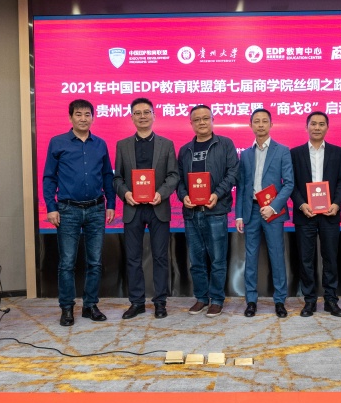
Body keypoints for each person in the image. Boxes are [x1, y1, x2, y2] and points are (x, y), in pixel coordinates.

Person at [43, 99, 116, 325]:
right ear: (70, 117)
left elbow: (107, 175)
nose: (83, 118)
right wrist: (51, 207)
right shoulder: (57, 142)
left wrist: (111, 203)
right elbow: (49, 177)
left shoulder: (100, 144)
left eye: (87, 114)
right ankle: (66, 308)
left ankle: (90, 305)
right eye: (78, 114)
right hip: (68, 210)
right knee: (67, 262)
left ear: (93, 117)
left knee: (95, 262)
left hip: (96, 208)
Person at [113, 98, 179, 319]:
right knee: (133, 258)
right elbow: (117, 178)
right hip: (133, 208)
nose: (142, 116)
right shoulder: (122, 145)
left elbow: (173, 175)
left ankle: (160, 302)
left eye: (146, 112)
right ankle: (137, 302)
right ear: (131, 117)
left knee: (160, 257)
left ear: (154, 115)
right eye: (137, 113)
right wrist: (125, 193)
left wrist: (162, 193)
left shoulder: (166, 144)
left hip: (158, 207)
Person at [176, 104, 239, 317]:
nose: (201, 122)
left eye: (205, 118)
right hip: (192, 213)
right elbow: (179, 179)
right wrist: (183, 196)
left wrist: (217, 194)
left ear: (213, 120)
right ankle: (201, 298)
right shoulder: (185, 150)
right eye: (197, 119)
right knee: (196, 260)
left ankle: (217, 299)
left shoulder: (225, 144)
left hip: (216, 210)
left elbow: (233, 172)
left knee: (218, 259)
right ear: (191, 123)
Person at [235, 109, 294, 318]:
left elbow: (289, 183)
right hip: (251, 210)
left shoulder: (282, 151)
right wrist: (239, 215)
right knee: (250, 257)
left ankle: (280, 301)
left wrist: (274, 206)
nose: (260, 125)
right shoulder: (245, 154)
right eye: (256, 121)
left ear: (271, 124)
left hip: (273, 212)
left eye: (264, 121)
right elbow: (242, 186)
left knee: (277, 255)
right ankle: (251, 301)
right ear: (250, 125)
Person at [290, 111, 341, 317]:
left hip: (330, 213)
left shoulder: (337, 152)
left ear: (327, 128)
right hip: (304, 213)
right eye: (313, 124)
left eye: (321, 124)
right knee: (306, 259)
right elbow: (290, 183)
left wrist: (337, 203)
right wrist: (301, 204)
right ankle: (310, 301)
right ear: (306, 127)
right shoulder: (295, 153)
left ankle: (331, 300)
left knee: (330, 258)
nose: (317, 127)